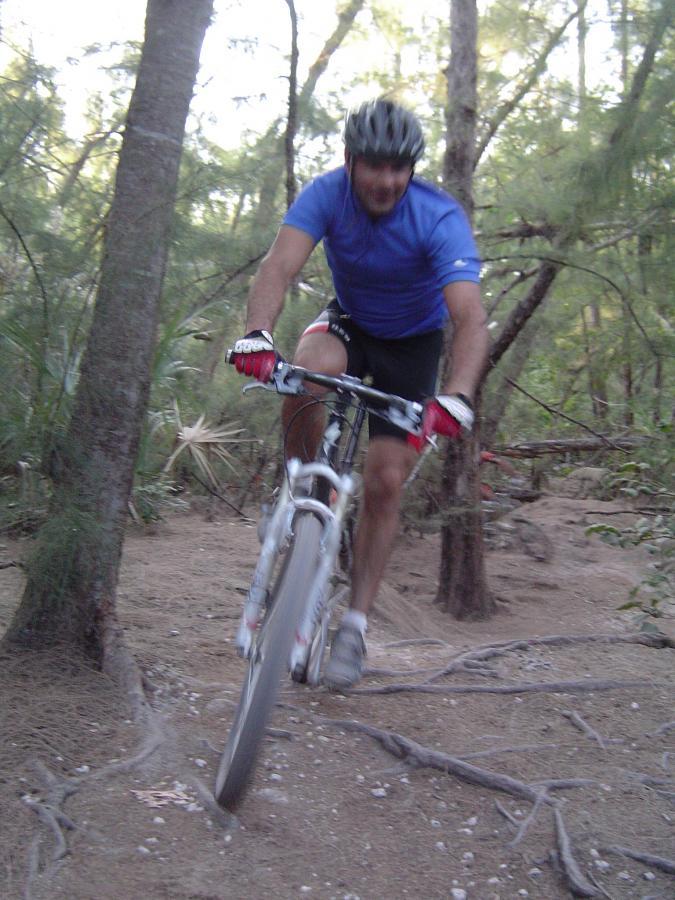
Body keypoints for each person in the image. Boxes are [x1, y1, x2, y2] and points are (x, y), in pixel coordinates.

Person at [231, 98, 489, 690]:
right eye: (375, 166)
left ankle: (354, 624)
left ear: (412, 170)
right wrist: (255, 335)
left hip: (413, 345)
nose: (387, 181)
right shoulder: (327, 194)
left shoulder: (437, 217)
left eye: (400, 168)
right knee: (307, 373)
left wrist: (456, 395)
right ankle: (300, 490)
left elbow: (471, 320)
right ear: (350, 162)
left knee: (385, 481)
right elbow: (279, 266)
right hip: (350, 320)